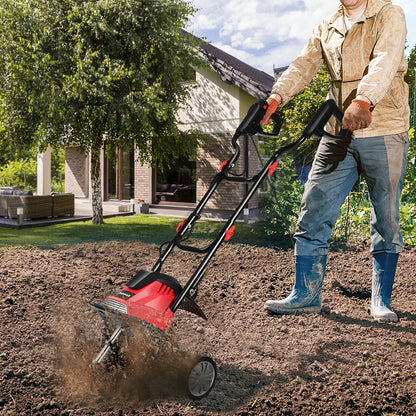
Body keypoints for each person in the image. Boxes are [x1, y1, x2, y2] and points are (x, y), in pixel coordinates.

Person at [261, 0, 410, 322]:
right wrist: (276, 96)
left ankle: (380, 301)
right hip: (337, 130)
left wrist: (363, 99)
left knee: (385, 216)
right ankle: (305, 294)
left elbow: (386, 59)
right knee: (313, 208)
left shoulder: (388, 12)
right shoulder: (327, 25)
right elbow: (303, 65)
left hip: (382, 127)